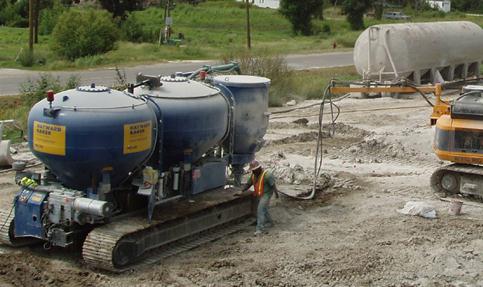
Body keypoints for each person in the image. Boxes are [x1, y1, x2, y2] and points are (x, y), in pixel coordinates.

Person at [236, 160, 279, 236]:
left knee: (260, 209)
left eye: (254, 170)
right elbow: (248, 184)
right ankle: (269, 222)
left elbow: (273, 186)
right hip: (259, 194)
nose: (253, 172)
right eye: (252, 170)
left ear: (259, 168)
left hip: (266, 194)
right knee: (264, 209)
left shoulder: (267, 175)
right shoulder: (253, 175)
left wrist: (276, 194)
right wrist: (241, 190)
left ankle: (260, 229)